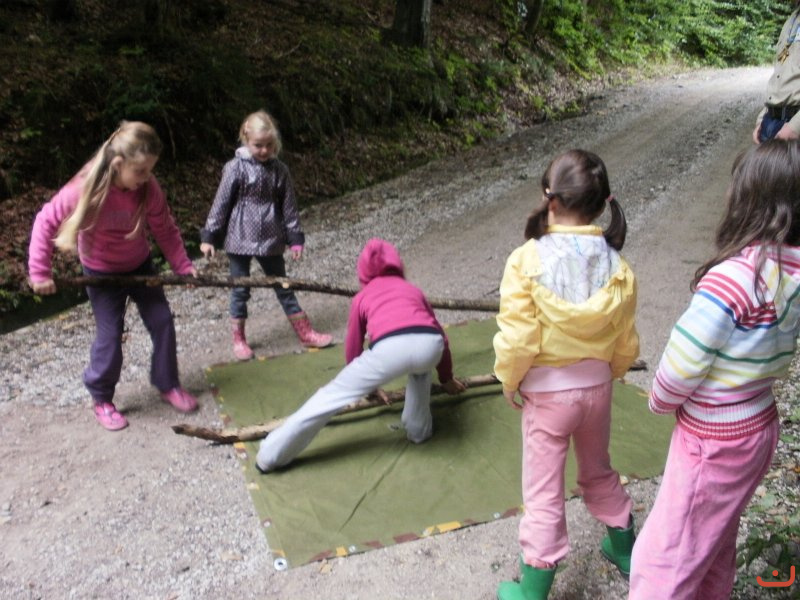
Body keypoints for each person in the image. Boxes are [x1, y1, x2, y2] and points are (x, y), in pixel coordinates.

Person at [629, 140, 800, 598]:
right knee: (713, 538)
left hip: (714, 440)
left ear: (748, 204)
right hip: (757, 427)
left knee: (667, 556)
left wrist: (659, 400)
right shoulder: (792, 277)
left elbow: (682, 364)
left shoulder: (732, 279)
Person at [493, 149, 640, 600]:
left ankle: (533, 590)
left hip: (549, 397)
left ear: (550, 198)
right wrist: (613, 372)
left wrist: (510, 380)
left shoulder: (526, 260)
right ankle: (627, 553)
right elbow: (625, 336)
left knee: (543, 493)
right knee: (598, 470)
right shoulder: (617, 265)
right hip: (597, 389)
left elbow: (519, 338)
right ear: (600, 204)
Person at [28, 121, 199, 432]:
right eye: (141, 171)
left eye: (150, 170)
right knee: (110, 336)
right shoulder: (85, 187)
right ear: (118, 164)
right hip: (101, 275)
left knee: (162, 321)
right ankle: (102, 398)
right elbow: (45, 221)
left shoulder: (147, 188)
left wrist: (182, 266)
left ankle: (168, 383)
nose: (146, 177)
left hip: (140, 265)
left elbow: (165, 228)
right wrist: (40, 271)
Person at [256, 237, 466, 472]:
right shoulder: (413, 291)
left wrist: (368, 385)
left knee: (332, 395)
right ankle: (419, 430)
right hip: (430, 345)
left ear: (363, 271)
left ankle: (269, 455)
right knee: (421, 370)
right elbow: (440, 336)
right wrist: (446, 378)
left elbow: (354, 345)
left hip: (390, 349)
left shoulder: (363, 297)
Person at [200, 110, 332, 361]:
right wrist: (209, 236)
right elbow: (221, 203)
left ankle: (305, 332)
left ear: (275, 143)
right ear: (246, 140)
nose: (263, 150)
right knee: (240, 289)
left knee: (283, 285)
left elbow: (289, 206)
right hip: (239, 237)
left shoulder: (280, 170)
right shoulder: (235, 168)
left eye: (268, 145)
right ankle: (239, 339)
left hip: (271, 237)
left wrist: (295, 238)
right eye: (258, 145)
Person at [752, 1, 800, 143]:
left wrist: (795, 127)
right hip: (770, 123)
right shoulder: (791, 20)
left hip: (793, 129)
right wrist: (762, 119)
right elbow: (780, 74)